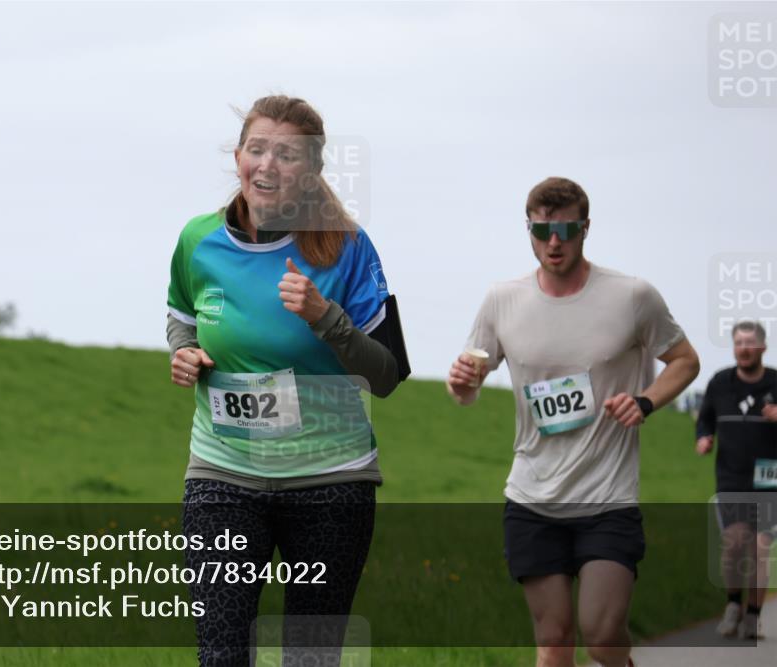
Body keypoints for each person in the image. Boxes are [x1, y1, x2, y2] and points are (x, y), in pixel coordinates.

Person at [166, 95, 409, 667]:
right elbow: (181, 315)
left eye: (287, 155)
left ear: (313, 169)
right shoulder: (198, 240)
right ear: (238, 157)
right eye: (257, 149)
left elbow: (387, 375)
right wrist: (184, 352)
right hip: (223, 473)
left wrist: (327, 318)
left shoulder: (348, 247)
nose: (268, 165)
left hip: (329, 480)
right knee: (221, 655)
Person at [447, 177, 699, 667]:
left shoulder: (632, 296)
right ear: (529, 230)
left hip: (607, 498)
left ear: (585, 228)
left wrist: (646, 402)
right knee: (554, 642)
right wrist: (461, 383)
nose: (554, 243)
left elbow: (686, 360)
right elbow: (468, 387)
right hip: (532, 498)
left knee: (602, 637)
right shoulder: (502, 299)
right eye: (542, 231)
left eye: (565, 230)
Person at [695, 320, 777, 639]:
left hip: (769, 480)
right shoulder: (720, 383)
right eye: (738, 342)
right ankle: (733, 605)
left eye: (750, 343)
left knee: (759, 548)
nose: (744, 348)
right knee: (733, 543)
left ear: (762, 347)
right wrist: (704, 437)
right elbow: (705, 419)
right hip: (730, 477)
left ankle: (753, 616)